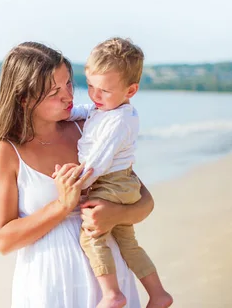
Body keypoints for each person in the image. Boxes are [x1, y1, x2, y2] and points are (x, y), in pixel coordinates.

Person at [0, 41, 155, 308]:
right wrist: (62, 205)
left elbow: (145, 201)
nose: (68, 96)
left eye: (69, 84)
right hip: (51, 285)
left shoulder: (91, 128)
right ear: (24, 98)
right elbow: (3, 240)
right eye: (54, 92)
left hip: (111, 283)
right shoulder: (4, 152)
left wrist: (115, 214)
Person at [67, 38, 173, 308]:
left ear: (131, 90)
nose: (95, 96)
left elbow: (98, 161)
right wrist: (63, 115)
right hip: (123, 183)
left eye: (104, 90)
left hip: (111, 182)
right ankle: (158, 293)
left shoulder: (119, 120)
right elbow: (83, 111)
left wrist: (79, 184)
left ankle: (112, 294)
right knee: (128, 243)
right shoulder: (106, 108)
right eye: (90, 86)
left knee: (91, 235)